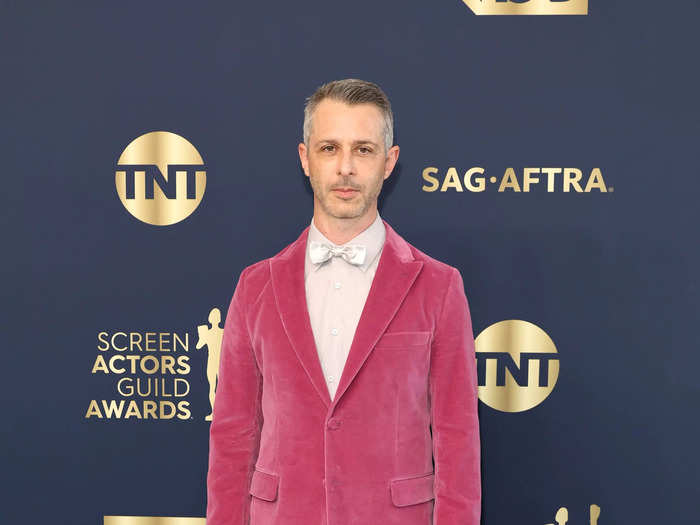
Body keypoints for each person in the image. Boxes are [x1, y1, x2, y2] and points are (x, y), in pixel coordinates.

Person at [207, 78, 481, 525]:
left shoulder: (438, 287)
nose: (346, 168)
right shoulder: (256, 287)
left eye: (364, 149)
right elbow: (234, 438)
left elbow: (458, 442)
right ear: (305, 159)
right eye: (330, 148)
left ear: (389, 162)